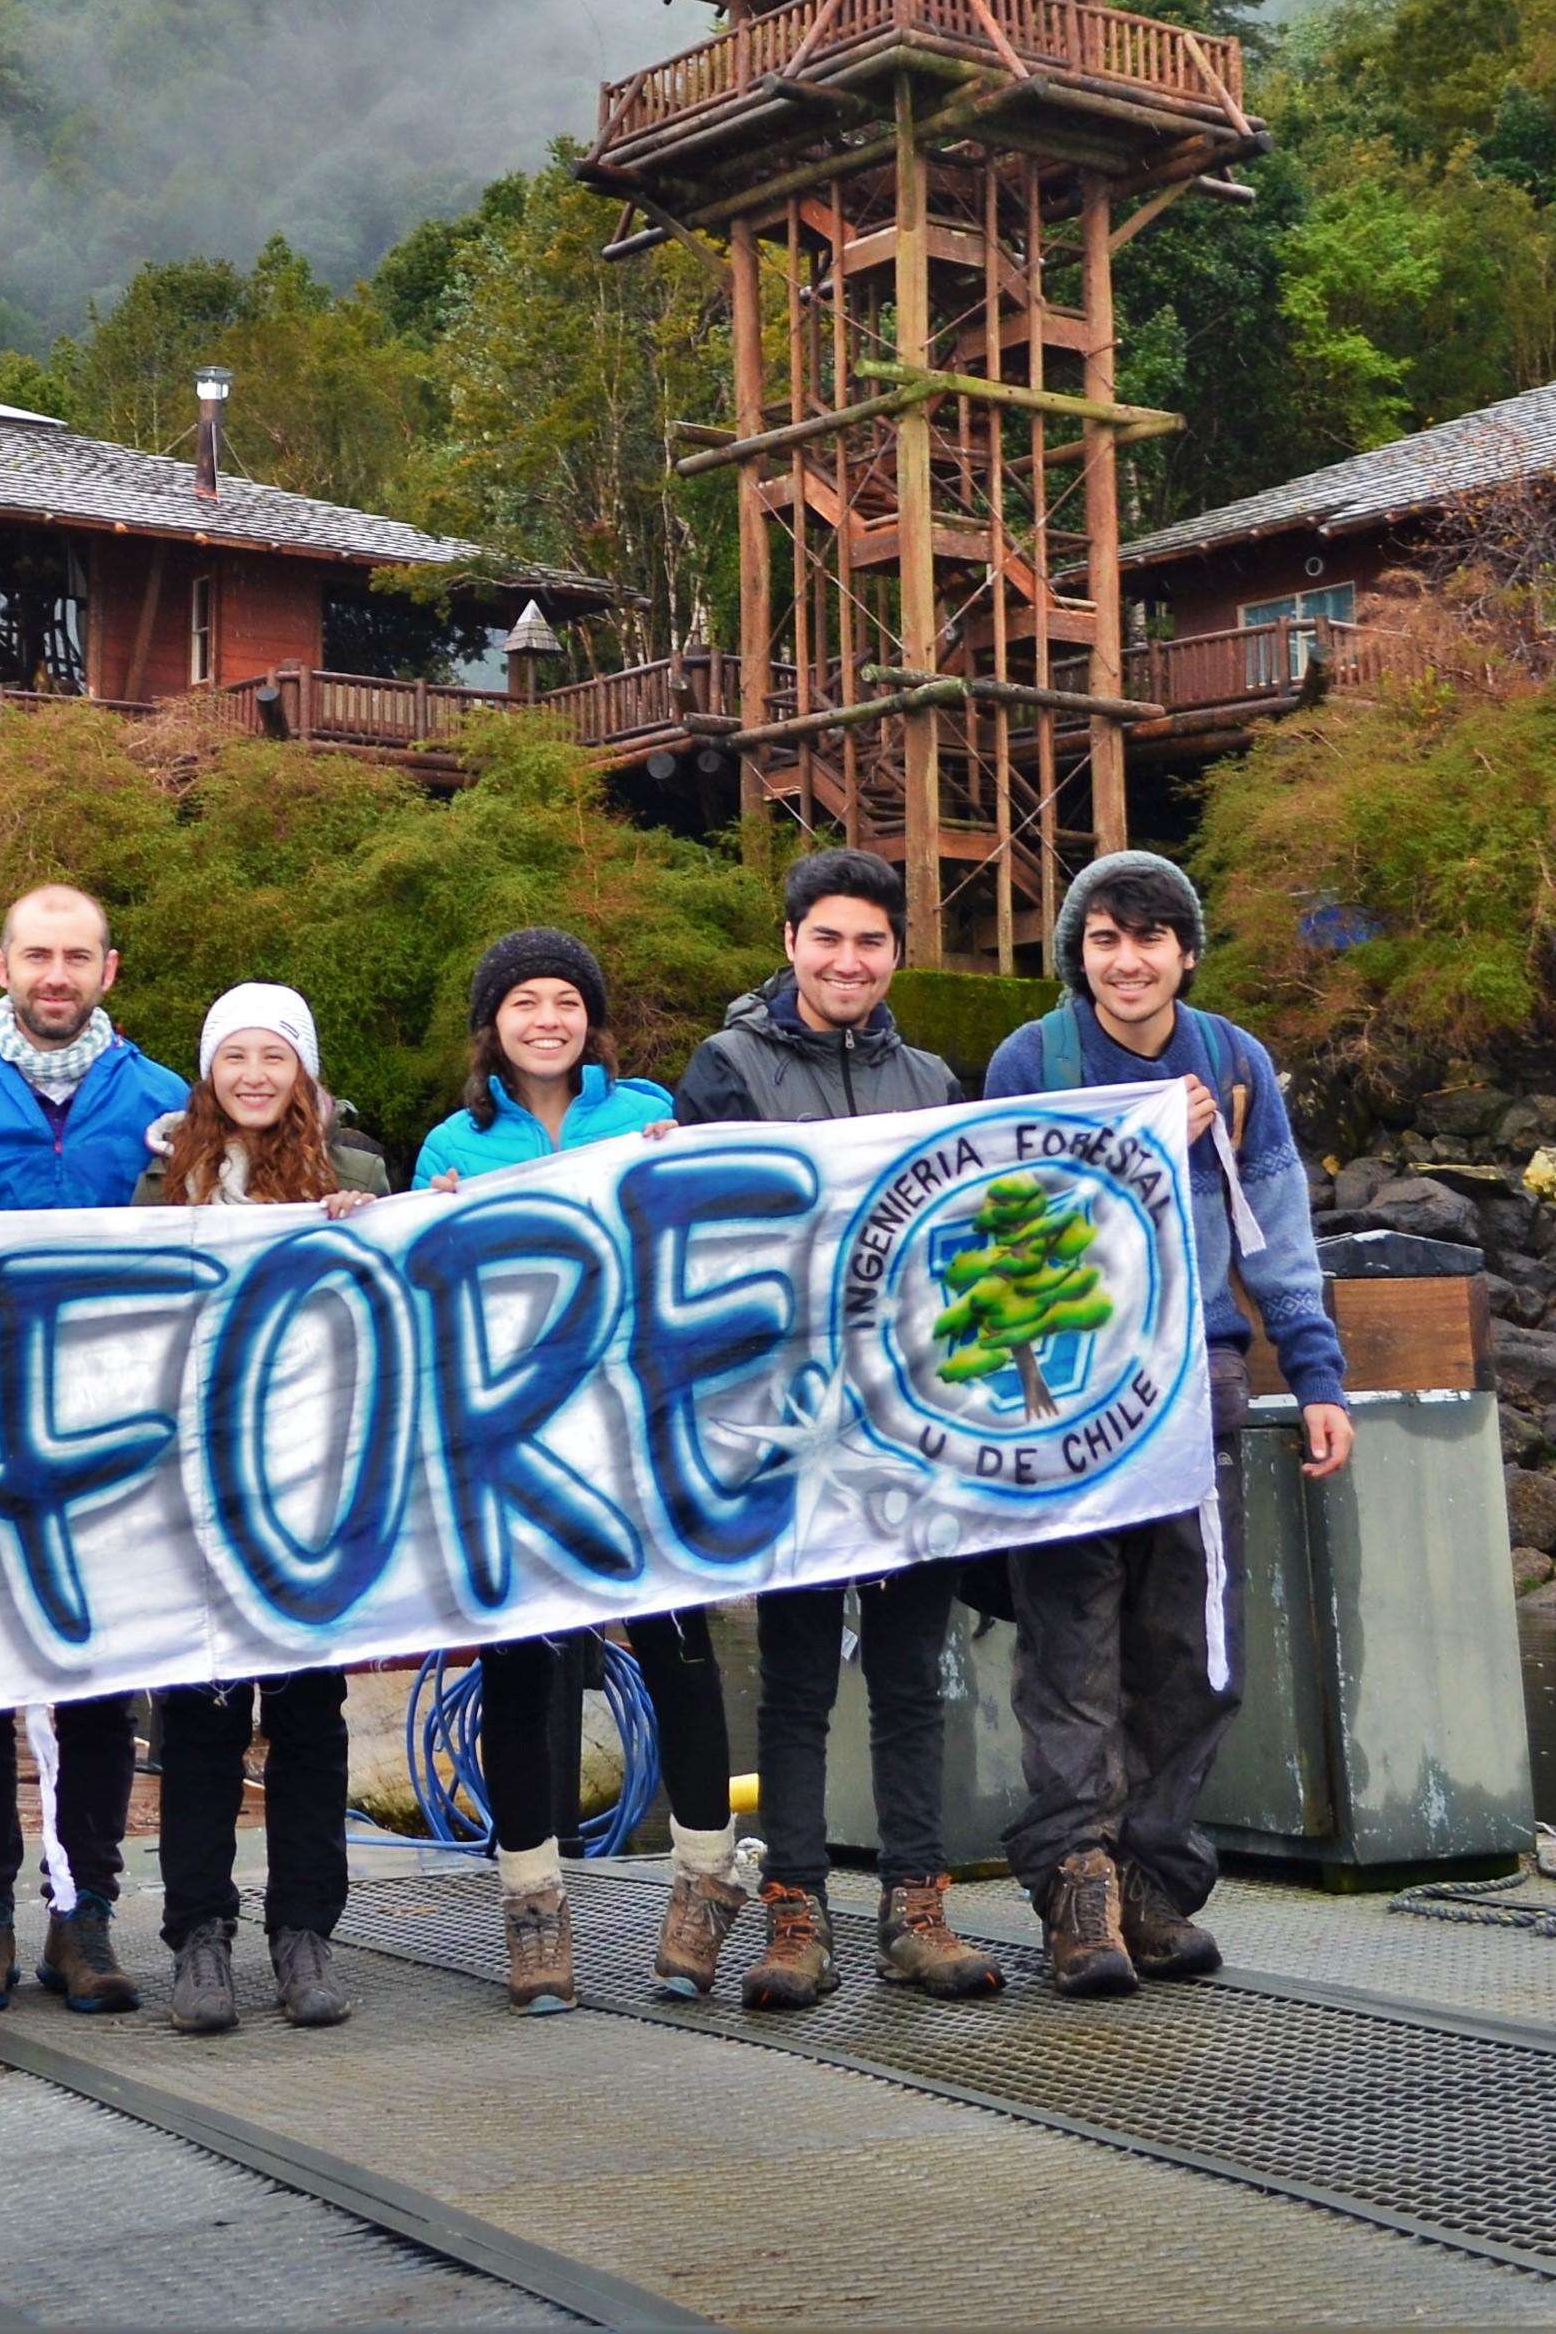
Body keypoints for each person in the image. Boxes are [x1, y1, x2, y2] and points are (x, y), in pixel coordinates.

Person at [977, 849, 1351, 1998]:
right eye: (1102, 938)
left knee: (1193, 1651)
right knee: (1069, 1651)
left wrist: (1318, 1372)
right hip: (1067, 1400)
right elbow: (996, 1225)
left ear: (1184, 953)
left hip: (1202, 1387)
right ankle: (1074, 1886)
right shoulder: (1027, 1059)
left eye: (1149, 937)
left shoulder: (1235, 1062)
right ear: (1075, 955)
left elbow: (1277, 1228)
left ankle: (1153, 1880)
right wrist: (1125, 1140)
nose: (1125, 959)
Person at [673, 848, 1001, 2015]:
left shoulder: (931, 1075)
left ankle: (916, 1907)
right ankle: (794, 1915)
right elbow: (709, 1243)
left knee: (913, 1674)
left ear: (895, 953)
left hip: (913, 1425)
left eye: (868, 941)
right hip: (791, 1425)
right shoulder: (726, 1065)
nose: (846, 961)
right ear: (789, 942)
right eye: (826, 939)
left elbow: (973, 1241)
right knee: (799, 1680)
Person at [411, 929, 751, 2012]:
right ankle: (532, 1909)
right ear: (492, 1025)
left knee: (675, 1650)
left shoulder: (642, 1115)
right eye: (523, 1003)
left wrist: (677, 1167)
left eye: (564, 999)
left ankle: (701, 1889)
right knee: (518, 1670)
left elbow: (705, 1241)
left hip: (642, 1428)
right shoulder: (446, 1146)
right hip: (519, 1445)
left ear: (588, 1017)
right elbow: (421, 1288)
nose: (545, 1019)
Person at [0, 883, 181, 2017]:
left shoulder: (167, 1100)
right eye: (35, 956)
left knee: (99, 1684)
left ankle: (87, 1914)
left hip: (114, 1435)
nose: (54, 975)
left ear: (109, 969)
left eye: (76, 956)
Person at [138, 982, 382, 2036]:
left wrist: (367, 1231)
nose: (251, 1074)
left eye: (271, 1056)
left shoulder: (359, 1173)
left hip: (313, 1483)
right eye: (231, 1055)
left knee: (305, 1717)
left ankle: (304, 1931)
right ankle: (199, 1935)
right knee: (196, 1718)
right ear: (207, 1071)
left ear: (302, 1070)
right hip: (195, 1485)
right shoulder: (160, 1185)